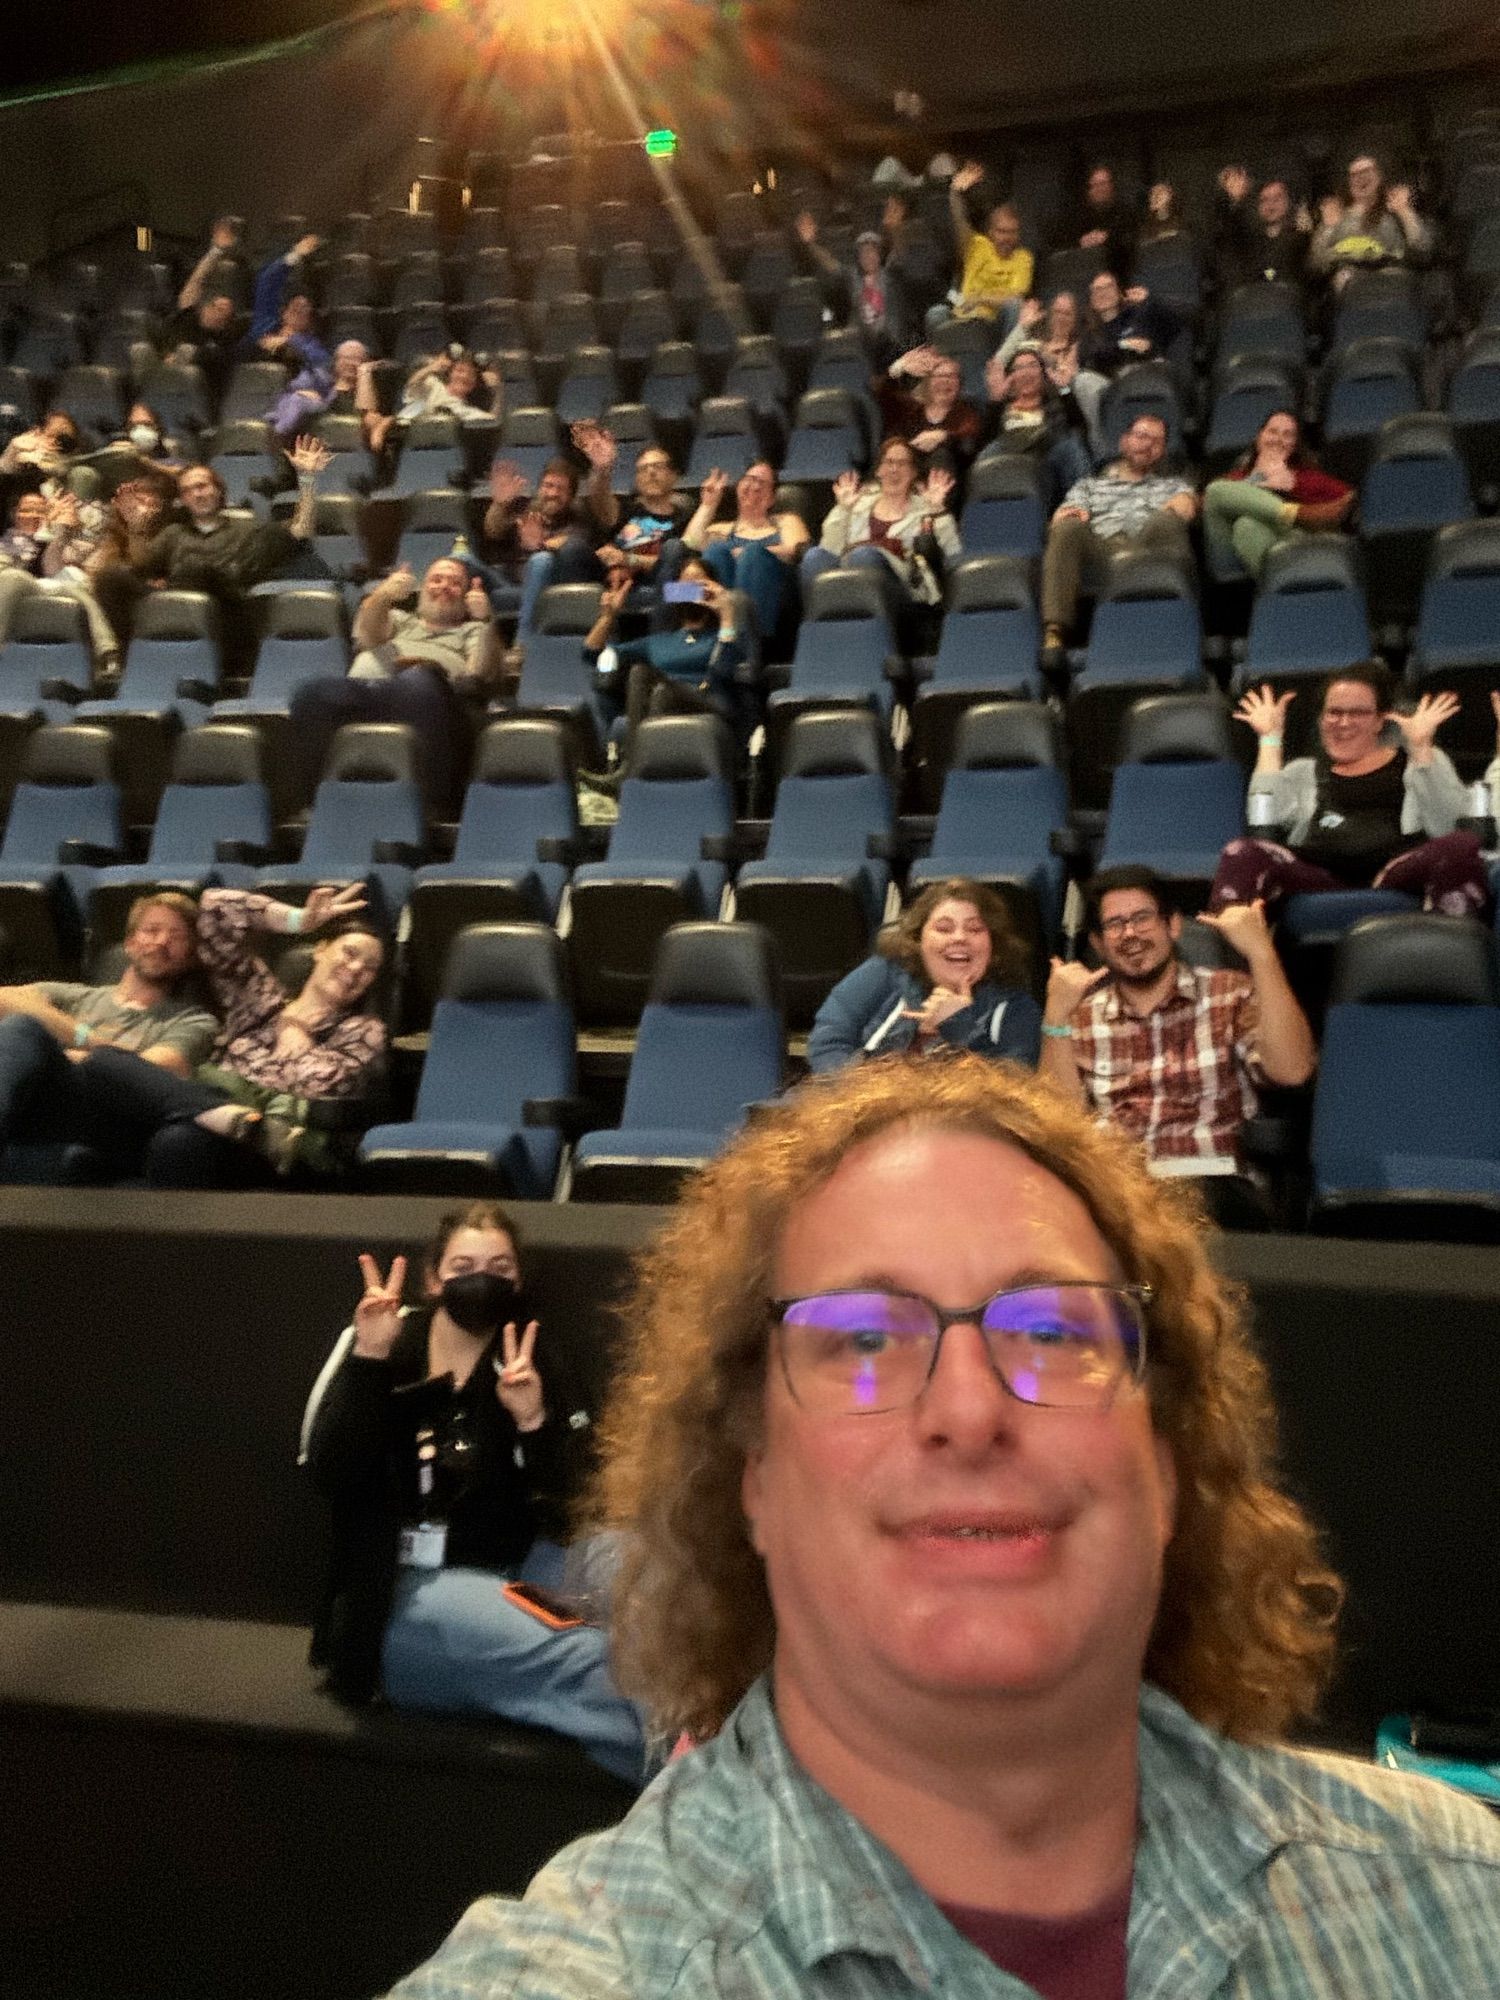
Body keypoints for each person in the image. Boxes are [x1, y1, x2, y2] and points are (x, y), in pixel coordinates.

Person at [386, 1055, 1500, 1998]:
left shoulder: (1463, 1898)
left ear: (1165, 1460)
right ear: (753, 1478)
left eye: (1056, 1329)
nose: (969, 1409)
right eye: (863, 1337)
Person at [300, 1201, 646, 1784]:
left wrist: (533, 1423)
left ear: (518, 1280)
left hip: (518, 1559)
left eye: (500, 1267)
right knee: (595, 1664)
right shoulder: (380, 1340)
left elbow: (581, 1500)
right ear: (434, 1280)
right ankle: (727, 1803)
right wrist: (369, 1358)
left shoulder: (533, 1354)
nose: (483, 1279)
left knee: (670, 1596)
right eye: (463, 1265)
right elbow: (329, 1471)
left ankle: (698, 1775)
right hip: (399, 1593)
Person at [1040, 867, 1316, 1219]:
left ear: (1173, 925)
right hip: (1121, 1192)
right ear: (1097, 944)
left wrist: (1261, 952)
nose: (1130, 934)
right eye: (1114, 924)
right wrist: (1055, 1018)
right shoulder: (1081, 1017)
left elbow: (1292, 1071)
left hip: (1210, 1182)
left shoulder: (1227, 992)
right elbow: (1057, 1125)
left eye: (1142, 918)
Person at [75, 882, 388, 1188]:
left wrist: (297, 1028)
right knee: (102, 1063)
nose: (356, 967)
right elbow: (215, 907)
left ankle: (246, 1127)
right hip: (198, 1115)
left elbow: (322, 1085)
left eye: (370, 967)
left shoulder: (364, 1030)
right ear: (319, 950)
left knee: (177, 1142)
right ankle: (224, 1117)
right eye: (349, 952)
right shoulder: (259, 1000)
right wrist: (298, 920)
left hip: (277, 1147)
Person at [1213, 666, 1490, 918]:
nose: (1343, 723)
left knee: (1462, 846)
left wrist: (1421, 749)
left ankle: (1452, 958)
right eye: (1334, 712)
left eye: (1357, 713)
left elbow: (1447, 826)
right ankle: (1230, 967)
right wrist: (1270, 739)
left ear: (1381, 719)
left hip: (1395, 872)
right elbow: (1266, 819)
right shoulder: (1303, 771)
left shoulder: (1417, 762)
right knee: (1242, 851)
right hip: (1318, 876)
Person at [0, 893, 217, 1172]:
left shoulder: (193, 1020)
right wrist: (86, 1039)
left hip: (109, 1116)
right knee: (19, 1028)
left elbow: (156, 1070)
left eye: (177, 936)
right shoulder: (79, 997)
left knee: (25, 1029)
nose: (162, 941)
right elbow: (5, 998)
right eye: (151, 931)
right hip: (39, 1111)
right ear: (129, 944)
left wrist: (58, 1047)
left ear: (189, 957)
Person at [289, 555, 502, 806]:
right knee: (311, 693)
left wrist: (487, 620)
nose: (444, 586)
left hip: (432, 699)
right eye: (436, 579)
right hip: (370, 693)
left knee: (419, 680)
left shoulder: (473, 630)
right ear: (421, 590)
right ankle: (317, 805)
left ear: (467, 596)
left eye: (455, 583)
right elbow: (369, 636)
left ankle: (429, 807)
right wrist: (383, 595)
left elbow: (481, 673)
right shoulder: (401, 620)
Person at [807, 879, 1041, 1071]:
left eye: (974, 929)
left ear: (994, 944)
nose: (959, 938)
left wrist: (959, 1025)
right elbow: (828, 1042)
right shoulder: (884, 971)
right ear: (917, 939)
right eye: (944, 929)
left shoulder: (1016, 1008)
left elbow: (1011, 1089)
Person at [1040, 413, 1197, 658]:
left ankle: (1178, 620)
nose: (1147, 445)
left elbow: (1187, 508)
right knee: (1067, 528)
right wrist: (1066, 515)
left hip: (1148, 551)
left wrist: (1185, 502)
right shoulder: (1089, 485)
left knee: (1167, 522)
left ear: (1163, 451)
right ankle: (1055, 632)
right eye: (1142, 436)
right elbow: (1065, 514)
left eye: (1156, 441)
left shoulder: (1173, 486)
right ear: (1124, 441)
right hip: (1101, 550)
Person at [584, 558, 754, 743]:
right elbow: (593, 655)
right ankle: (636, 761)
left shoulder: (726, 636)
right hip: (663, 697)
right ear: (676, 592)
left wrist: (726, 613)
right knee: (640, 674)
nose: (691, 587)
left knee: (662, 692)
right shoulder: (658, 642)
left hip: (710, 703)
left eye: (698, 581)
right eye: (685, 583)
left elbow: (724, 671)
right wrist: (608, 617)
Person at [803, 439, 961, 616]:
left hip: (903, 590)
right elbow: (830, 548)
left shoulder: (926, 509)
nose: (894, 469)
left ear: (914, 472)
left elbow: (953, 554)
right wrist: (843, 509)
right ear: (878, 470)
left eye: (902, 463)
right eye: (889, 462)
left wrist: (938, 510)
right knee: (813, 557)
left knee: (864, 556)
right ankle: (819, 624)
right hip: (848, 575)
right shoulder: (857, 504)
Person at [477, 441, 616, 631]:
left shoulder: (578, 517)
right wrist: (499, 505)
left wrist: (539, 547)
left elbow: (573, 547)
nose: (552, 493)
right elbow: (493, 530)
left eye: (561, 489)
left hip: (550, 584)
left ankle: (523, 639)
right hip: (512, 580)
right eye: (548, 485)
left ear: (571, 496)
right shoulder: (524, 509)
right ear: (539, 487)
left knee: (541, 560)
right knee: (460, 560)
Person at [1202, 410, 1354, 578]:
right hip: (1230, 558)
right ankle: (1298, 514)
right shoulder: (1236, 478)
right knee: (1214, 490)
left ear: (1295, 445)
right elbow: (1206, 504)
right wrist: (1257, 480)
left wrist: (1293, 487)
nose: (1278, 440)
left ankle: (1279, 588)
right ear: (1258, 437)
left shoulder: (1306, 477)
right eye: (1272, 432)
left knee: (1246, 526)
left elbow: (1350, 500)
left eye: (1287, 435)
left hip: (1289, 552)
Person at [678, 461, 809, 646]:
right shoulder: (721, 528)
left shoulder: (786, 520)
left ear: (772, 498)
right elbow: (689, 543)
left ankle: (744, 644)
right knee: (714, 551)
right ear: (738, 486)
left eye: (763, 483)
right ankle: (708, 638)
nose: (755, 486)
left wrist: (746, 551)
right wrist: (708, 504)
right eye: (749, 479)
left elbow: (795, 550)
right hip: (725, 600)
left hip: (776, 595)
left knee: (753, 554)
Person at [981, 343, 1093, 505]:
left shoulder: (1055, 405)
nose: (1026, 372)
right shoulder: (1002, 409)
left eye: (1032, 365)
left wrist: (1064, 390)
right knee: (991, 451)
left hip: (1047, 459)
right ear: (1010, 377)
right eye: (1019, 367)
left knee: (1071, 444)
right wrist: (996, 402)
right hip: (1011, 458)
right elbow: (985, 441)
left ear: (1044, 374)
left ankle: (1083, 505)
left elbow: (1080, 429)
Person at [996, 290, 1107, 450]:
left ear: (1075, 318)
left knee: (1072, 441)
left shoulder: (1080, 347)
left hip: (1056, 413)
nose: (1061, 318)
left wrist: (1053, 360)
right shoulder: (1030, 342)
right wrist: (1022, 327)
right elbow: (998, 364)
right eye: (1057, 312)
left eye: (1067, 314)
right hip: (1019, 410)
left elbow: (1073, 380)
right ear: (1049, 314)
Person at [793, 212, 907, 361]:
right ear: (858, 258)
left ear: (879, 255)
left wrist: (895, 229)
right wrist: (810, 243)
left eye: (872, 251)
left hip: (891, 343)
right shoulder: (852, 276)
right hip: (862, 345)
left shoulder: (889, 275)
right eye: (864, 253)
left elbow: (899, 253)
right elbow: (830, 263)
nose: (868, 256)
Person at [931, 165, 1032, 331]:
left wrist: (979, 299)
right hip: (963, 318)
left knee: (1015, 306)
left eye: (1012, 232)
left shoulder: (1023, 258)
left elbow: (1015, 299)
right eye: (1002, 231)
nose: (1007, 238)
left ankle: (1005, 357)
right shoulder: (978, 245)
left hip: (993, 326)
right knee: (936, 313)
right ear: (990, 232)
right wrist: (955, 194)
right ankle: (941, 354)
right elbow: (959, 221)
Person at [1309, 156, 1433, 291]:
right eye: (1355, 174)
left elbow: (1423, 250)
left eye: (1367, 171)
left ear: (1380, 177)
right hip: (1347, 285)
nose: (1361, 178)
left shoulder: (1395, 212)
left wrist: (1405, 213)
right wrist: (1328, 227)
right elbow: (1315, 265)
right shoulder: (1336, 214)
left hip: (1391, 281)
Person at [874, 346, 985, 472]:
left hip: (945, 482)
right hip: (905, 478)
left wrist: (944, 437)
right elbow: (882, 395)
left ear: (959, 384)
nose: (945, 381)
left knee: (941, 456)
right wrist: (898, 367)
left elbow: (969, 439)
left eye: (951, 376)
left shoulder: (966, 414)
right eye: (938, 376)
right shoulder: (909, 410)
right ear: (927, 382)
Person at [1214, 168, 1312, 290]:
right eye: (1265, 200)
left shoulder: (1299, 241)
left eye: (1278, 198)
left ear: (1289, 201)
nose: (1271, 204)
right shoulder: (1248, 244)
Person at [243, 232, 330, 370]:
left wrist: (290, 341)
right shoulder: (267, 325)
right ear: (284, 313)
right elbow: (267, 281)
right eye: (294, 309)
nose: (299, 311)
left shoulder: (310, 343)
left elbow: (323, 362)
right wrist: (295, 254)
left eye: (304, 310)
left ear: (310, 320)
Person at [1054, 161, 1137, 277]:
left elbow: (1130, 240)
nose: (1100, 189)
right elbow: (1062, 245)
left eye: (1103, 183)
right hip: (1085, 276)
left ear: (1111, 185)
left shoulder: (1125, 211)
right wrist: (1082, 241)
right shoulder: (1078, 216)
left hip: (1121, 272)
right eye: (1095, 184)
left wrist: (1107, 238)